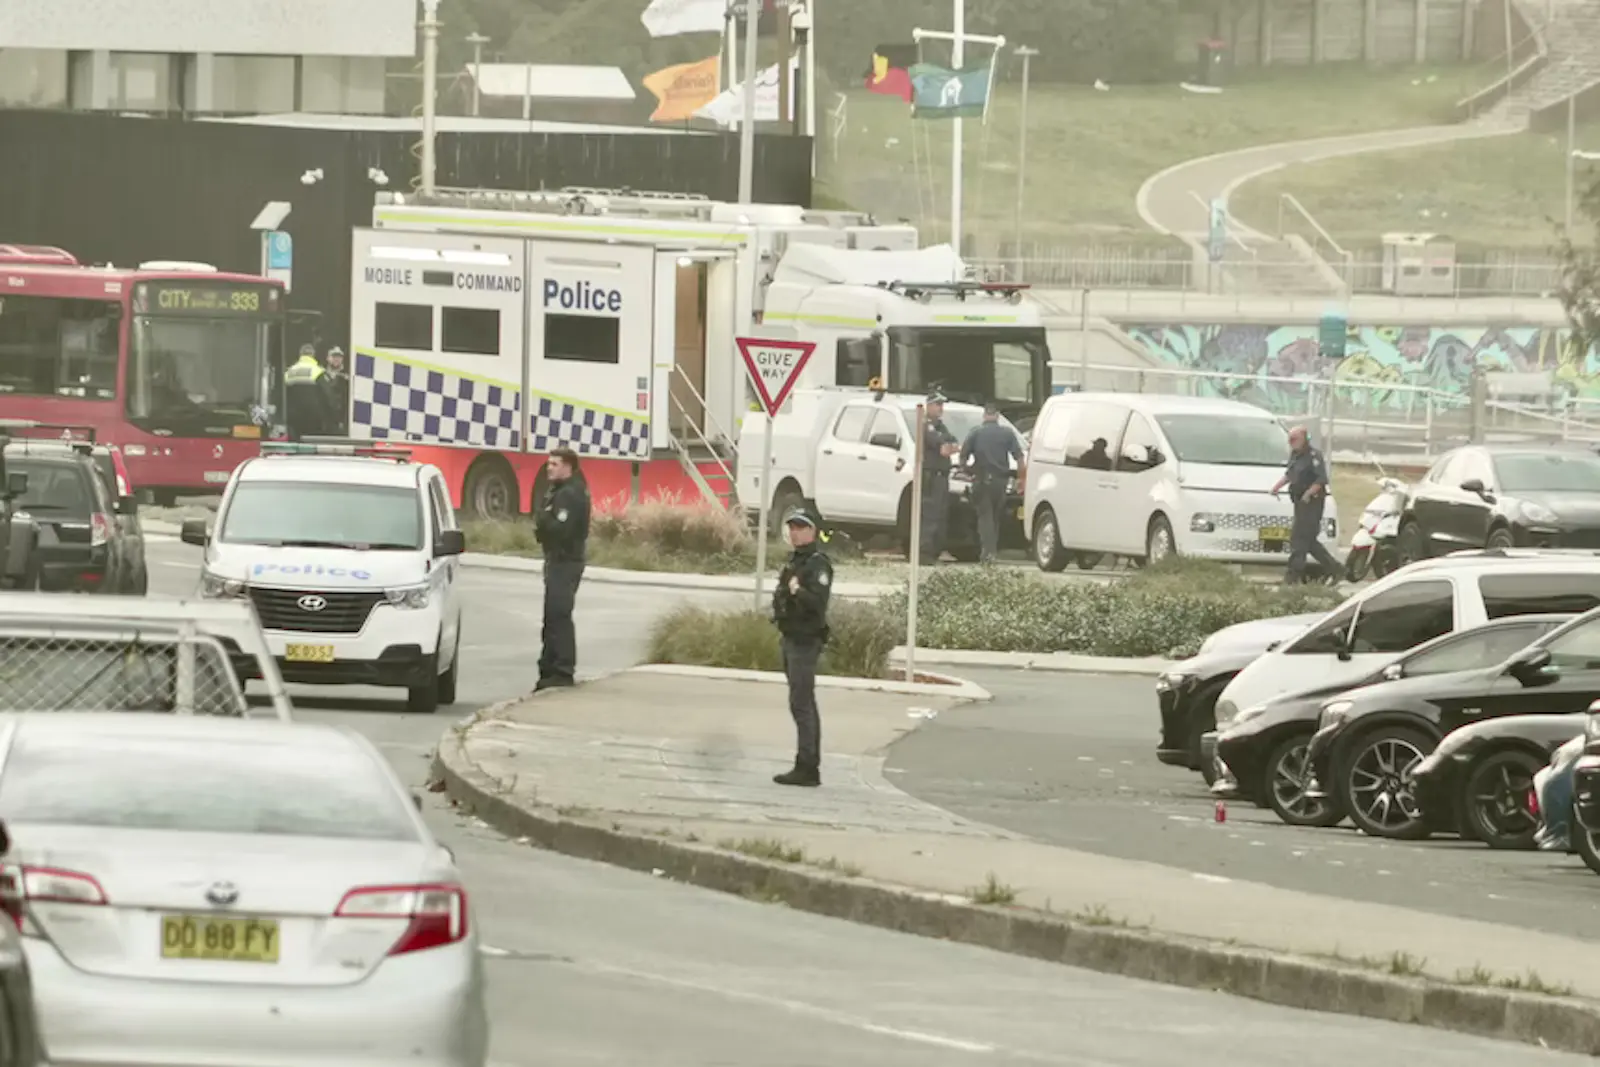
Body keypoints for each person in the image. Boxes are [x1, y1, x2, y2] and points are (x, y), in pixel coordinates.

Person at [770, 506, 833, 788]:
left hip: (806, 640)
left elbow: (817, 603)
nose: (795, 533)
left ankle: (808, 767)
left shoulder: (818, 564)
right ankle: (805, 763)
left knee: (802, 703)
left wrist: (798, 590)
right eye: (792, 528)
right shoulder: (795, 562)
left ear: (813, 531)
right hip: (791, 637)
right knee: (800, 702)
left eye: (801, 528)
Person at [533, 447, 591, 690]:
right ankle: (548, 669)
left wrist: (544, 520)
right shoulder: (558, 490)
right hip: (556, 560)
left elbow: (561, 530)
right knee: (551, 617)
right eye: (549, 463)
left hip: (565, 561)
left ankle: (562, 670)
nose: (549, 468)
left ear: (568, 467)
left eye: (554, 464)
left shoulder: (571, 493)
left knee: (559, 615)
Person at [1271, 425, 1339, 584]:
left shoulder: (1314, 456)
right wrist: (1276, 487)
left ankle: (1292, 576)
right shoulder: (1295, 455)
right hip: (1299, 501)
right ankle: (1336, 569)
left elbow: (1321, 480)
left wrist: (1308, 493)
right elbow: (1290, 474)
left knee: (1299, 539)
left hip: (1312, 502)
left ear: (1304, 439)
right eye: (1289, 439)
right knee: (1308, 541)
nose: (1290, 442)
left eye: (1294, 439)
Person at [960, 403, 1025, 563]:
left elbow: (963, 456)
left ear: (984, 416)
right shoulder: (1007, 433)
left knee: (985, 518)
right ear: (997, 416)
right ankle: (992, 552)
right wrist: (1021, 478)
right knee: (995, 518)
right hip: (1001, 482)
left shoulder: (975, 433)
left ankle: (988, 553)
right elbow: (1019, 457)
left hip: (982, 480)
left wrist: (968, 472)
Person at [919, 391, 960, 562]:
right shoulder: (926, 426)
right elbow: (944, 449)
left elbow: (955, 444)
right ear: (928, 406)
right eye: (937, 404)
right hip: (931, 476)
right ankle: (924, 553)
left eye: (941, 405)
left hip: (942, 476)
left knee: (941, 516)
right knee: (930, 515)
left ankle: (936, 551)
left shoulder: (941, 426)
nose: (940, 408)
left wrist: (950, 446)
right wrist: (948, 446)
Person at [283, 347, 339, 439]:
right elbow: (328, 396)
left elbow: (282, 395)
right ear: (313, 355)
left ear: (300, 355)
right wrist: (334, 417)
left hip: (293, 419)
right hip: (314, 419)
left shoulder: (289, 372)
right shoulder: (317, 371)